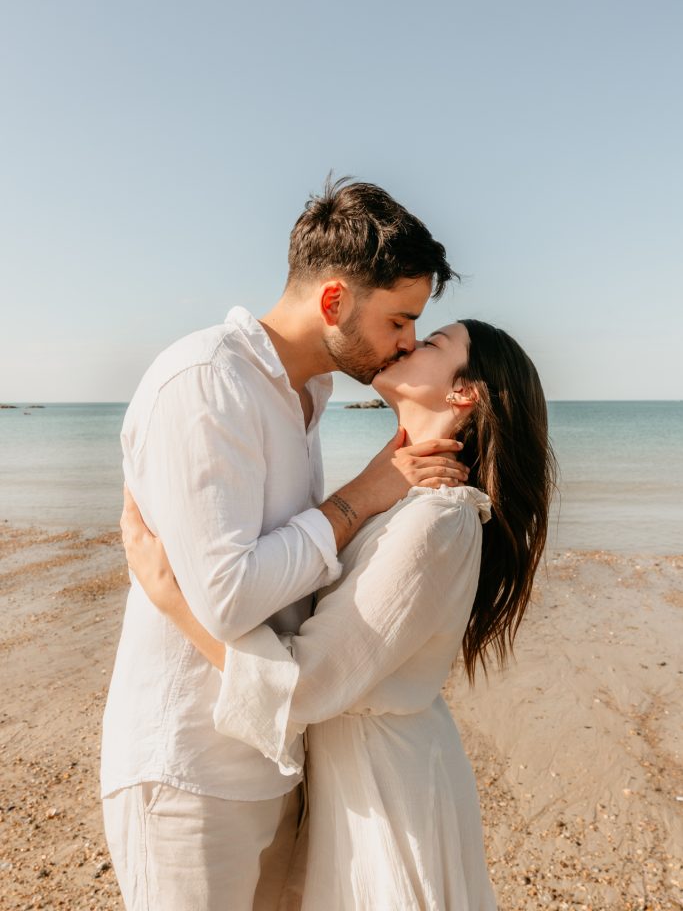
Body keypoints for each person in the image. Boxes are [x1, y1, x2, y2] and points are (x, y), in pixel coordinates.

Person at [101, 176, 468, 911]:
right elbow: (230, 594)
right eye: (399, 321)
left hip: (276, 758)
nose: (404, 342)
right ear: (333, 301)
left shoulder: (306, 398)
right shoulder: (209, 382)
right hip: (190, 769)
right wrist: (360, 498)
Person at [121, 318, 556, 910]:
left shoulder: (439, 519)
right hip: (353, 773)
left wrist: (174, 599)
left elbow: (307, 685)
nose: (406, 341)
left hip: (385, 786)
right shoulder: (403, 500)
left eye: (429, 341)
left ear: (465, 392)